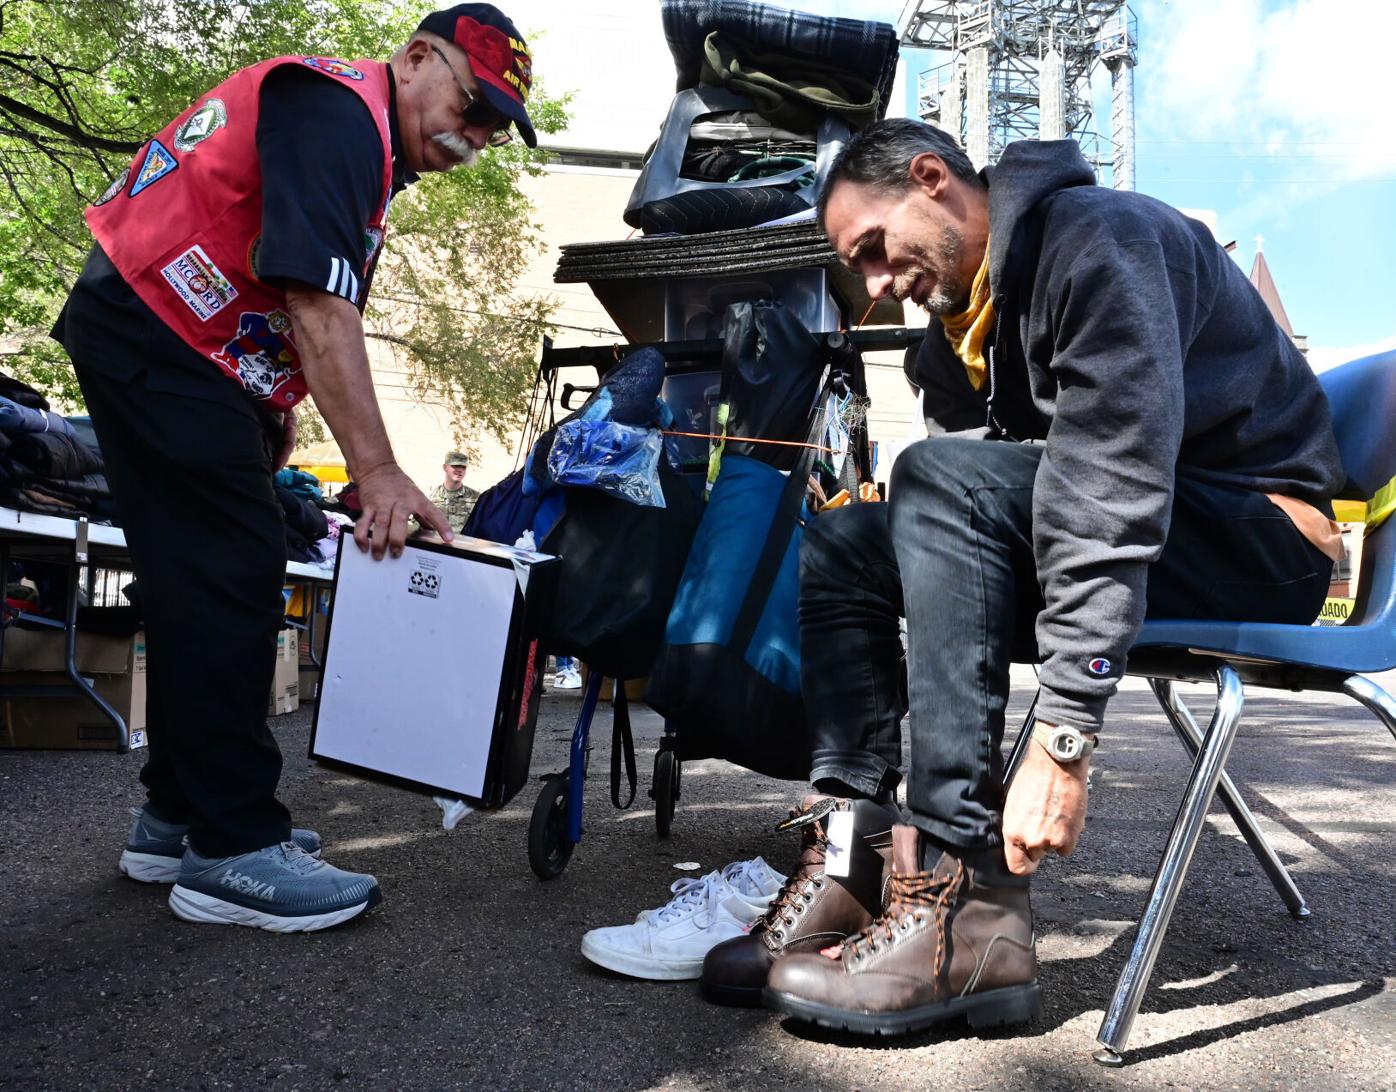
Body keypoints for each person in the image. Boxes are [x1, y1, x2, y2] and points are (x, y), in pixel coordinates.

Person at [708, 119, 1345, 1033]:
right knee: (851, 540)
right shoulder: (953, 340)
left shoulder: (1101, 241)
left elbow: (1111, 485)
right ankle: (853, 857)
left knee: (937, 479)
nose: (879, 286)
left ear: (932, 180)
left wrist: (1065, 732)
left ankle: (967, 913)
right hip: (1146, 535)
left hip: (1258, 536)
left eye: (876, 252)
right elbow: (973, 530)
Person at [51, 4, 538, 933]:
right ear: (416, 56)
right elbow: (318, 304)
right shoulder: (336, 113)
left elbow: (278, 289)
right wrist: (381, 471)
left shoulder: (356, 135)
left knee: (206, 573)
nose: (473, 138)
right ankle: (231, 847)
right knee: (229, 576)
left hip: (171, 342)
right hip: (155, 330)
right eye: (472, 107)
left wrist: (268, 414)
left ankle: (177, 815)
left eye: (491, 130)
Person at [430, 450, 481, 530]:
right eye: (455, 466)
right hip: (436, 541)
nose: (460, 470)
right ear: (445, 467)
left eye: (463, 467)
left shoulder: (476, 498)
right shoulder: (432, 496)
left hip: (464, 542)